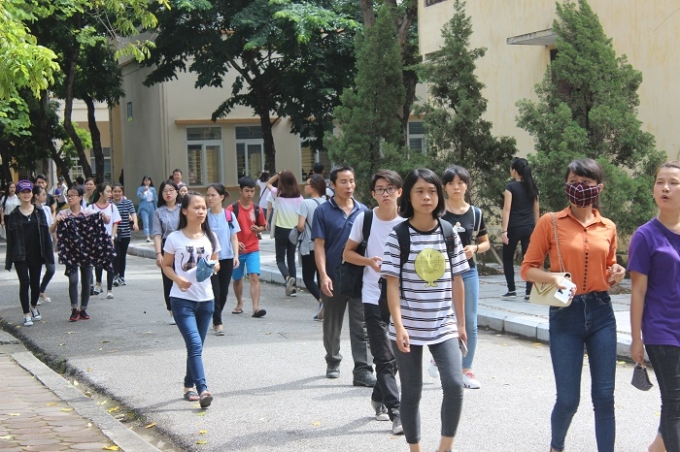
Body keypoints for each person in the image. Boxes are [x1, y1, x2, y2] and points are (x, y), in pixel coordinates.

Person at [520, 158, 625, 452]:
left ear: (598, 187)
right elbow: (527, 269)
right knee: (568, 399)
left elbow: (610, 264)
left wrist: (617, 271)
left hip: (601, 312)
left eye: (586, 182)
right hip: (565, 312)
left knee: (604, 397)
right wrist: (554, 278)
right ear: (566, 185)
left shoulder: (608, 226)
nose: (579, 187)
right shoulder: (550, 222)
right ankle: (557, 446)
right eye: (574, 182)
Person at [380, 168, 468, 452]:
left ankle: (445, 448)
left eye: (431, 191)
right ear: (409, 196)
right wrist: (399, 326)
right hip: (408, 325)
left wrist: (461, 325)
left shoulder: (448, 233)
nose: (426, 197)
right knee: (412, 391)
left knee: (454, 384)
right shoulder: (398, 235)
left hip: (444, 324)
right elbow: (392, 285)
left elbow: (457, 280)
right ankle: (415, 448)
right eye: (419, 191)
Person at [343, 170, 405, 435]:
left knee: (398, 355)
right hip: (372, 294)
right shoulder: (365, 219)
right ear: (373, 194)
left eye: (390, 188)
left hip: (402, 297)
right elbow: (348, 253)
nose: (385, 193)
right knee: (382, 355)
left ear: (399, 192)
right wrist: (368, 261)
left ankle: (379, 396)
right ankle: (397, 413)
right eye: (380, 189)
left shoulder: (407, 223)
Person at [629, 161, 680, 452]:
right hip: (662, 330)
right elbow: (638, 291)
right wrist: (637, 338)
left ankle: (658, 448)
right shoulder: (645, 235)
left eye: (673, 182)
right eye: (660, 182)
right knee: (674, 402)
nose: (666, 188)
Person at [312, 164, 374, 385]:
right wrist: (323, 275)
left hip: (358, 276)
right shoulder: (322, 211)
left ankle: (363, 369)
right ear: (332, 184)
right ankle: (333, 359)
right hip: (333, 275)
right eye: (343, 182)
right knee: (332, 323)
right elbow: (319, 245)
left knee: (361, 324)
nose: (349, 186)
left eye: (352, 181)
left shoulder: (364, 211)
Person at [162, 191, 220, 408]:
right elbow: (166, 265)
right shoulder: (174, 238)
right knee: (195, 344)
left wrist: (213, 266)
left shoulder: (210, 237)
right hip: (182, 300)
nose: (201, 211)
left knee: (196, 347)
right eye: (196, 207)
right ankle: (203, 389)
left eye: (204, 207)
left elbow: (216, 263)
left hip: (206, 300)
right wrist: (178, 279)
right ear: (184, 211)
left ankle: (188, 385)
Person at [438, 165, 490, 390]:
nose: (456, 187)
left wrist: (475, 248)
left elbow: (485, 242)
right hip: (441, 274)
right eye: (451, 183)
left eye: (460, 183)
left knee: (469, 322)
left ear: (467, 185)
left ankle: (466, 369)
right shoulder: (439, 212)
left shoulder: (475, 213)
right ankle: (441, 361)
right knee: (445, 319)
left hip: (468, 272)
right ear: (445, 187)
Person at [52, 185, 110, 322]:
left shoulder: (88, 212)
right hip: (71, 251)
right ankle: (74, 308)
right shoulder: (64, 213)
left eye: (73, 195)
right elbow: (51, 229)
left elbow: (107, 220)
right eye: (68, 195)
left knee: (86, 281)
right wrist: (57, 221)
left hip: (87, 250)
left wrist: (102, 215)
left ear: (80, 197)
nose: (70, 198)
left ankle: (83, 309)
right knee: (73, 280)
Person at [4, 180, 53, 326]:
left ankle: (33, 306)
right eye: (23, 192)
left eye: (28, 192)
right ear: (18, 194)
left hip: (36, 253)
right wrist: (9, 260)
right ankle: (26, 314)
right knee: (24, 283)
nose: (26, 194)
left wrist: (49, 255)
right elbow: (10, 239)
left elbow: (45, 234)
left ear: (32, 194)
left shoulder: (39, 212)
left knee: (35, 284)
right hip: (20, 254)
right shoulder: (14, 215)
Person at [227, 177, 267, 317]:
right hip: (237, 251)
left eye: (252, 191)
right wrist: (235, 243)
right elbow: (225, 230)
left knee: (254, 276)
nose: (250, 194)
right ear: (240, 190)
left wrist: (259, 229)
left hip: (253, 249)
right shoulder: (232, 209)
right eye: (247, 191)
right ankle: (239, 303)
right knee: (237, 278)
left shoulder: (257, 209)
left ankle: (256, 308)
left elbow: (263, 225)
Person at [501, 157, 539, 300]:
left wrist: (504, 230)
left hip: (513, 228)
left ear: (514, 171)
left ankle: (511, 290)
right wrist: (537, 229)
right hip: (529, 228)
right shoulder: (532, 187)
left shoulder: (510, 187)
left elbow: (507, 209)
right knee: (528, 260)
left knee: (507, 258)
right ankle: (529, 292)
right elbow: (536, 210)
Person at [206, 183, 240, 336]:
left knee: (224, 292)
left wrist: (236, 255)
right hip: (211, 259)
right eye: (208, 195)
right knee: (215, 291)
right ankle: (218, 323)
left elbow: (234, 237)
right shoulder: (204, 216)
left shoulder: (229, 215)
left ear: (221, 197)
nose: (209, 198)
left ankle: (215, 317)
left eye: (213, 195)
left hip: (226, 257)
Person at [266, 170, 303, 297]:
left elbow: (268, 183)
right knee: (291, 258)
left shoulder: (278, 193)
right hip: (294, 230)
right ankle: (293, 290)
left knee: (280, 259)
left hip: (281, 229)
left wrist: (278, 174)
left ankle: (287, 278)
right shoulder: (299, 197)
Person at [296, 174, 326, 320]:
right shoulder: (327, 202)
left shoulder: (306, 203)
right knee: (322, 278)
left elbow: (301, 226)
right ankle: (325, 308)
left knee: (308, 278)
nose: (305, 187)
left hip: (309, 245)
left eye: (307, 184)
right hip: (325, 246)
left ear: (313, 187)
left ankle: (322, 302)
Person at [153, 180, 182, 324]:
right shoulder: (158, 212)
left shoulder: (184, 209)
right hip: (167, 247)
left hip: (183, 245)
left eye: (171, 190)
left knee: (185, 276)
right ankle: (172, 312)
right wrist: (159, 254)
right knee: (168, 280)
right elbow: (157, 234)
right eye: (165, 191)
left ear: (177, 192)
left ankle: (187, 309)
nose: (168, 193)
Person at [91, 183, 121, 299]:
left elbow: (115, 223)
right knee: (98, 264)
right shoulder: (92, 208)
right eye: (108, 191)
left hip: (108, 238)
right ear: (100, 193)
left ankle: (109, 290)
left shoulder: (112, 207)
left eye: (110, 191)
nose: (110, 194)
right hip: (96, 239)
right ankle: (98, 283)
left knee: (110, 265)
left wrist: (112, 237)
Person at [32, 185, 55, 305]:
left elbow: (51, 226)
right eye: (43, 194)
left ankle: (41, 289)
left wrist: (56, 240)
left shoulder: (46, 209)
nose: (46, 197)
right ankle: (35, 295)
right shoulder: (31, 210)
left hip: (47, 242)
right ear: (36, 196)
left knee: (51, 269)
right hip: (36, 244)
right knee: (36, 271)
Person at [112, 183, 138, 287]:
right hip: (113, 233)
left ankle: (121, 276)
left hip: (125, 233)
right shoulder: (109, 204)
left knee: (122, 255)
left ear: (122, 192)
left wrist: (135, 223)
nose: (117, 193)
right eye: (115, 191)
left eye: (119, 191)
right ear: (112, 193)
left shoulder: (128, 202)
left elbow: (133, 213)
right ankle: (115, 275)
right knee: (116, 255)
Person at [137, 175, 157, 243]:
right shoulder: (140, 188)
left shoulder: (153, 189)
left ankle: (152, 234)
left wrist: (156, 207)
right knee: (146, 222)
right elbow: (139, 196)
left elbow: (155, 198)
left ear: (150, 181)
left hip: (151, 205)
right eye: (145, 180)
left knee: (152, 221)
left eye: (148, 180)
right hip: (144, 206)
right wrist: (143, 191)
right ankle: (147, 236)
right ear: (143, 181)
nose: (147, 182)